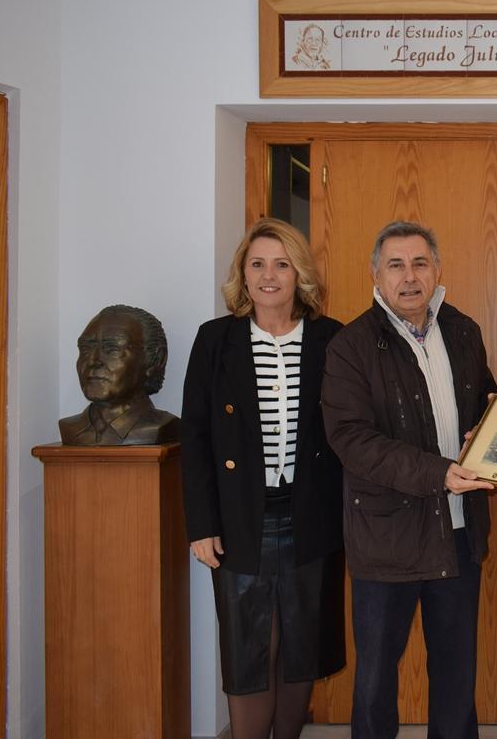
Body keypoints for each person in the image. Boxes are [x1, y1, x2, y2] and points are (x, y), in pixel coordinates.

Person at [321, 220, 497, 739]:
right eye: (395, 264)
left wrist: (487, 431)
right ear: (375, 274)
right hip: (385, 540)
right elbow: (351, 438)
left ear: (437, 269)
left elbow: (482, 399)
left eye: (420, 263)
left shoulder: (463, 330)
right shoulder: (351, 345)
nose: (409, 276)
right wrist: (440, 472)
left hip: (458, 535)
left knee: (456, 677)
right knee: (374, 683)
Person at [181, 217, 346, 739]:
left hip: (311, 517)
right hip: (238, 519)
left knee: (301, 642)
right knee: (248, 644)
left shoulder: (330, 338)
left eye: (282, 264)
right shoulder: (216, 340)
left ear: (299, 274)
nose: (269, 275)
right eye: (258, 264)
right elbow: (197, 439)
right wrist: (200, 524)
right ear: (243, 274)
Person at [59, 304, 178, 445]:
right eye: (86, 349)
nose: (93, 361)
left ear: (155, 360)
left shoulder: (163, 427)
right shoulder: (70, 427)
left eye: (112, 349)